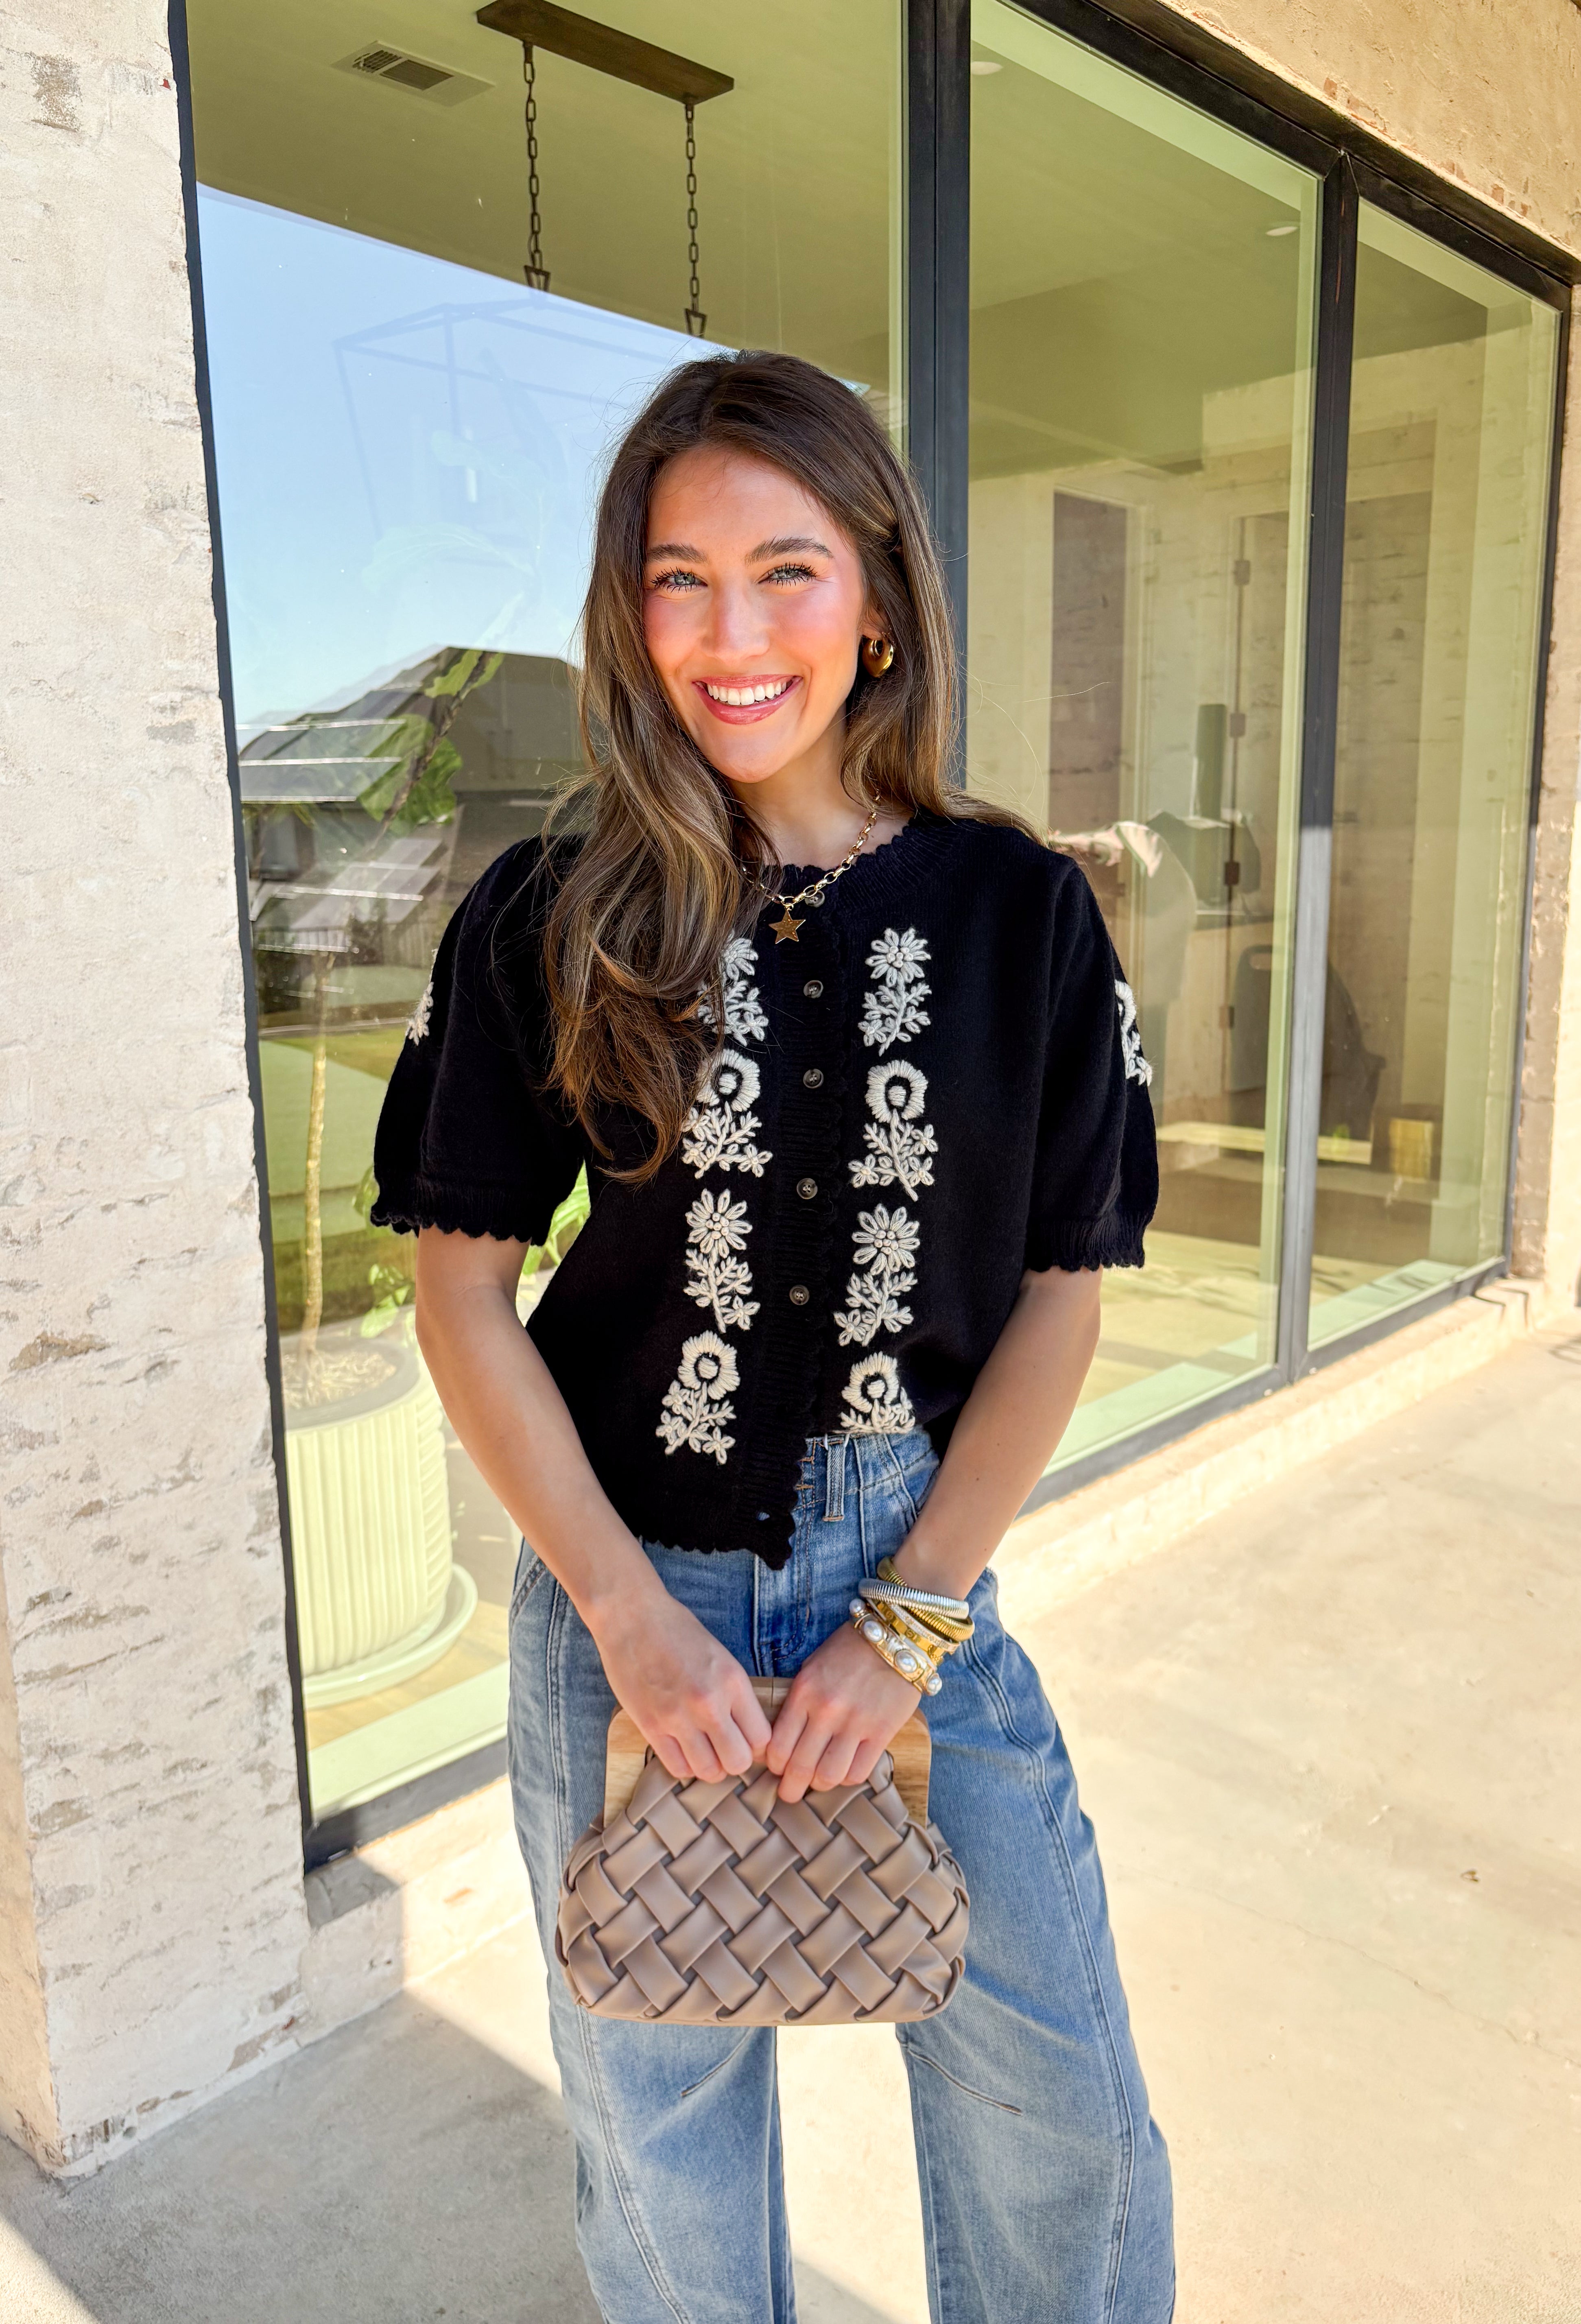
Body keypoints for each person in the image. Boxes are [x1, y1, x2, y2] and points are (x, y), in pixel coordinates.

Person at [371, 349, 1173, 2324]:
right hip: (624, 1583)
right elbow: (464, 1281)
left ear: (882, 596)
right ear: (626, 614)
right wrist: (633, 1622)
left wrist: (908, 1619)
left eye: (787, 571)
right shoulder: (558, 909)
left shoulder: (1020, 914)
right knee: (658, 2140)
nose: (731, 639)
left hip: (916, 1574)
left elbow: (1063, 1285)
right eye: (677, 580)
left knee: (1059, 2116)